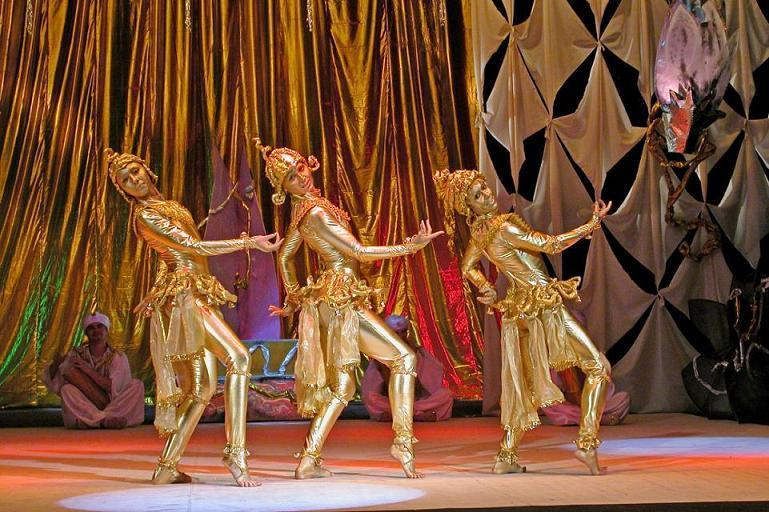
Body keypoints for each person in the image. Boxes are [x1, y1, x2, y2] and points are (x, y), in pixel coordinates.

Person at [257, 138, 442, 479]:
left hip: (330, 300)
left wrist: (294, 300)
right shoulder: (315, 213)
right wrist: (409, 247)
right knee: (404, 359)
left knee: (342, 388)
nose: (301, 177)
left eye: (300, 168)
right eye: (292, 178)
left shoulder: (305, 211)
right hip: (341, 299)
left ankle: (308, 459)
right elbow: (358, 252)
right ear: (283, 190)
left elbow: (284, 258)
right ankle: (402, 442)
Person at [106, 148, 281, 487]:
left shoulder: (165, 206)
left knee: (201, 389)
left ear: (147, 170)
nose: (134, 180)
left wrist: (155, 292)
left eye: (135, 172)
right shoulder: (146, 216)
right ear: (123, 190)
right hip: (186, 298)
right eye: (125, 180)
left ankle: (166, 466)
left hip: (191, 291)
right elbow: (193, 248)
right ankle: (235, 453)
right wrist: (249, 243)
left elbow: (166, 257)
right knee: (239, 358)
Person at [434, 169, 612, 475]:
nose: (486, 195)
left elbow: (467, 267)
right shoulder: (502, 226)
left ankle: (506, 455)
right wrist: (591, 225)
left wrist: (487, 287)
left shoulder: (481, 233)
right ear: (469, 207)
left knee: (525, 385)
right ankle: (586, 443)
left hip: (519, 312)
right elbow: (550, 245)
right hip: (542, 307)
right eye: (477, 196)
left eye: (484, 188)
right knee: (598, 367)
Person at [44, 312, 145, 429]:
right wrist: (56, 363)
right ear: (86, 333)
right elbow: (55, 382)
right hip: (87, 403)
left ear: (106, 330)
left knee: (137, 385)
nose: (96, 331)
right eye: (91, 328)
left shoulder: (117, 357)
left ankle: (94, 419)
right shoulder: (76, 354)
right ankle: (105, 420)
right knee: (66, 389)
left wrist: (87, 370)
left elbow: (114, 387)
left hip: (115, 404)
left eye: (99, 326)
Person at [361, 314, 453, 422]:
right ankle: (416, 414)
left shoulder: (418, 352)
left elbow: (429, 383)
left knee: (446, 395)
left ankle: (402, 414)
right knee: (370, 397)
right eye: (396, 333)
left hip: (416, 400)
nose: (400, 336)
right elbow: (371, 387)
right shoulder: (380, 356)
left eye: (403, 332)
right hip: (392, 400)